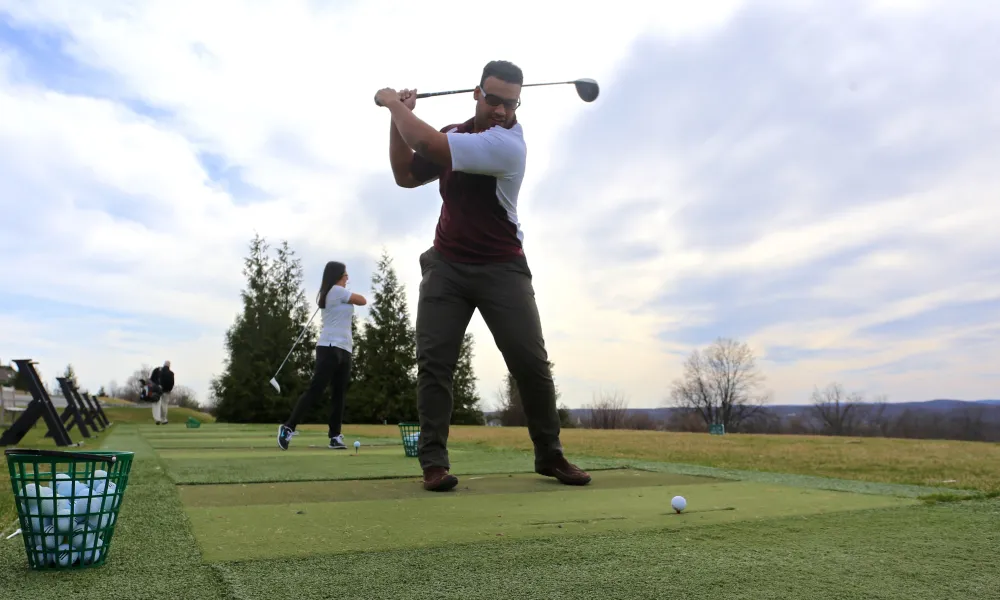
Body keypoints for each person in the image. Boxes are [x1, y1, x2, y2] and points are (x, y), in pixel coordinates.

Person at [374, 59, 592, 492]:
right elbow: (404, 175)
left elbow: (428, 146)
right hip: (447, 266)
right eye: (494, 100)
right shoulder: (454, 134)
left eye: (511, 103)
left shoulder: (507, 144)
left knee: (530, 364)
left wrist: (390, 103)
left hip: (502, 267)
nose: (501, 110)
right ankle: (433, 464)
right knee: (434, 365)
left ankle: (550, 456)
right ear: (477, 93)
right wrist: (396, 120)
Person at [277, 261, 366, 450]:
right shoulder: (336, 291)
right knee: (316, 390)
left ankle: (335, 436)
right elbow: (362, 300)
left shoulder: (333, 293)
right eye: (345, 274)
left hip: (345, 348)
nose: (347, 277)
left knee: (338, 394)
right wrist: (347, 294)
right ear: (337, 276)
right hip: (329, 347)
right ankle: (287, 427)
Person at [149, 360, 174, 425]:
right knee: (164, 405)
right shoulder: (171, 373)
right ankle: (164, 419)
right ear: (169, 365)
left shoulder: (157, 370)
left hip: (157, 390)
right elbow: (172, 383)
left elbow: (151, 380)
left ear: (163, 364)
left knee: (156, 404)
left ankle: (157, 419)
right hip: (166, 391)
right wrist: (169, 390)